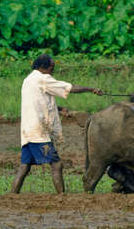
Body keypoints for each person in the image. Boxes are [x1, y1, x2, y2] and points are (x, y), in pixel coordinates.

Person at [11, 54, 103, 194]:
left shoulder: (28, 79)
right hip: (39, 132)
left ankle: (12, 196)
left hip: (28, 131)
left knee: (25, 166)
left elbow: (37, 102)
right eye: (51, 68)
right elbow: (69, 87)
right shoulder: (43, 78)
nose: (52, 72)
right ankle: (61, 197)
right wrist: (91, 89)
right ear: (43, 67)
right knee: (56, 165)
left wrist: (58, 109)